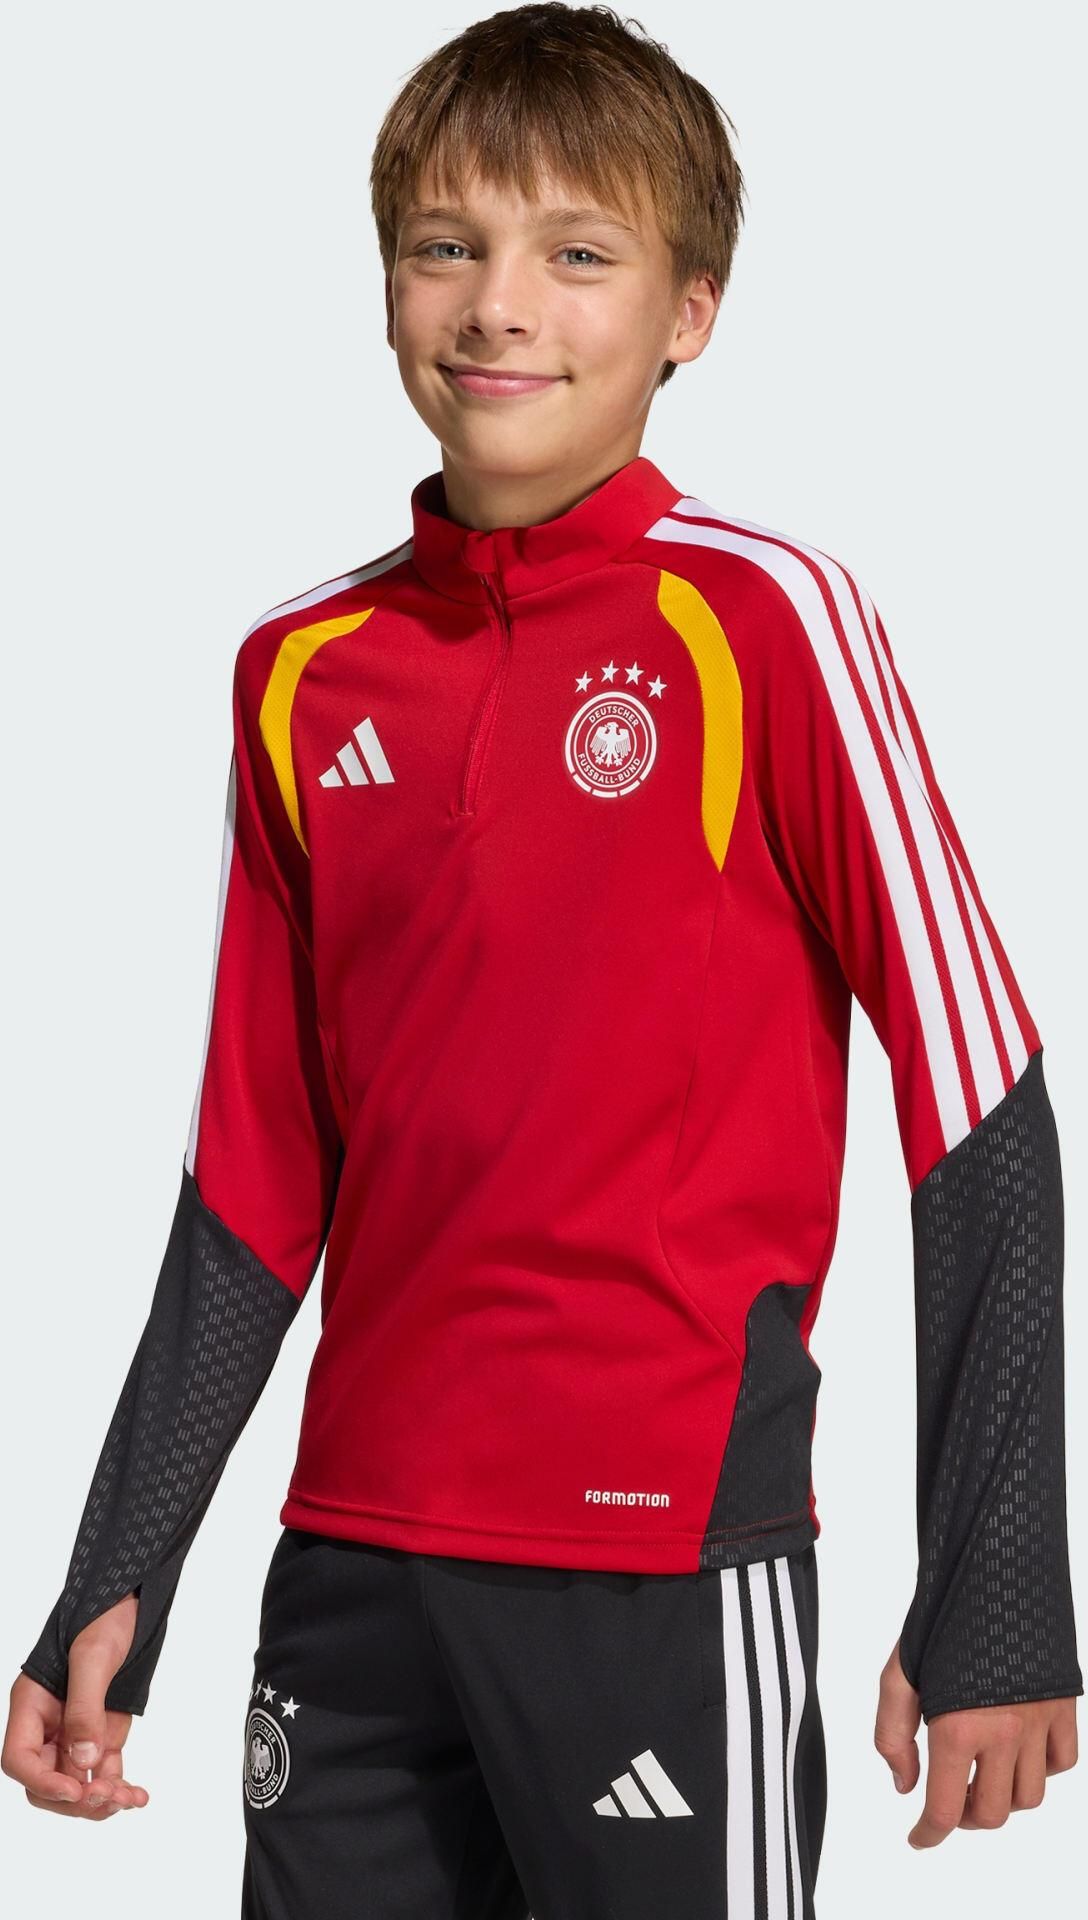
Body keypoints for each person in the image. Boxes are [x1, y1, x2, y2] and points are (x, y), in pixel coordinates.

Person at [4, 4, 1081, 1914]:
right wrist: (121, 1560)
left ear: (691, 311)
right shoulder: (298, 674)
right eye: (448, 245)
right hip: (351, 1564)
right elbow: (254, 1176)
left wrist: (996, 1587)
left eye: (578, 254)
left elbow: (980, 1105)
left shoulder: (768, 621)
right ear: (387, 281)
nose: (499, 306)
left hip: (656, 1566)